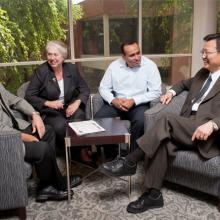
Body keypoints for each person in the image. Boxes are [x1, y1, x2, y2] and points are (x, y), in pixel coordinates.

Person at [100, 33, 220, 214]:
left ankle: (130, 160)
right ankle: (153, 195)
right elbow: (183, 84)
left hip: (208, 132)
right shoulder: (203, 73)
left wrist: (213, 124)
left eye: (207, 52)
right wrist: (171, 91)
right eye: (202, 51)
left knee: (166, 120)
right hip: (187, 125)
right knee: (162, 142)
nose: (202, 55)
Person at [0, 82, 82, 202]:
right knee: (43, 148)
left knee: (47, 131)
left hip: (13, 128)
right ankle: (54, 184)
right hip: (5, 141)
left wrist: (35, 114)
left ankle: (48, 184)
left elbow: (16, 100)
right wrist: (25, 137)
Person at [25, 40, 92, 165]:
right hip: (49, 111)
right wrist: (48, 103)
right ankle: (76, 153)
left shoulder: (71, 68)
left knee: (79, 117)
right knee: (61, 126)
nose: (52, 58)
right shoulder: (41, 71)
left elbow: (85, 90)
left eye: (56, 55)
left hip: (68, 106)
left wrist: (76, 102)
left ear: (63, 56)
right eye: (49, 54)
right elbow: (29, 95)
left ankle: (79, 152)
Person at [95, 41, 162, 156]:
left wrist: (134, 101)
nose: (137, 57)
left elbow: (156, 91)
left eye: (138, 53)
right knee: (99, 118)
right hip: (117, 103)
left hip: (139, 104)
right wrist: (113, 100)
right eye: (132, 55)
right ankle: (111, 154)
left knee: (141, 121)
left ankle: (132, 157)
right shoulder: (114, 66)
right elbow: (103, 88)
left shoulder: (150, 65)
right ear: (124, 57)